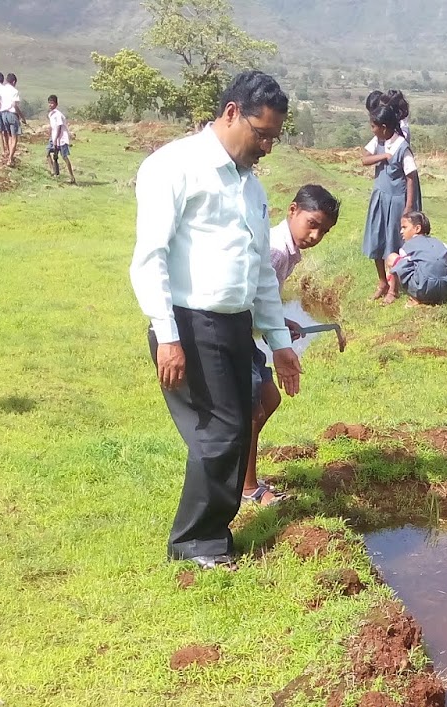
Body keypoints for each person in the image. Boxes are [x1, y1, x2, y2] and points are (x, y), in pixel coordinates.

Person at [130, 70, 300, 569]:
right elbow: (150, 257)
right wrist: (168, 336)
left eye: (274, 137)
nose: (267, 146)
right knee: (219, 432)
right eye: (261, 133)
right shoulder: (175, 166)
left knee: (237, 423)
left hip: (234, 323)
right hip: (189, 322)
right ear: (231, 113)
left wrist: (279, 341)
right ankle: (196, 542)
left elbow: (261, 271)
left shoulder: (252, 188)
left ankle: (209, 535)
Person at [244, 183, 340, 507]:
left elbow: (265, 301)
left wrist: (282, 321)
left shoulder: (287, 250)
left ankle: (240, 472)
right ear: (292, 210)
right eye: (312, 224)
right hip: (236, 334)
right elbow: (251, 301)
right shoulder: (276, 251)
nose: (315, 235)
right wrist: (277, 336)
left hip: (246, 331)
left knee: (268, 399)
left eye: (323, 231)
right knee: (253, 409)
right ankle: (247, 488)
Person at [361, 105, 418, 301]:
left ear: (384, 127)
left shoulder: (402, 147)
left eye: (373, 126)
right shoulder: (379, 141)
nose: (372, 130)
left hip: (396, 201)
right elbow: (364, 159)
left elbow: (411, 177)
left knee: (393, 243)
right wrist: (383, 156)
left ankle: (393, 288)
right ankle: (382, 282)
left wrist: (408, 207)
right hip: (380, 198)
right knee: (377, 240)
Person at [386, 211, 447, 305]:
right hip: (446, 291)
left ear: (417, 228)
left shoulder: (407, 248)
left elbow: (400, 269)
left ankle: (393, 292)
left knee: (392, 258)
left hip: (423, 290)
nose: (401, 231)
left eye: (404, 227)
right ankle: (434, 295)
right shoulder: (442, 244)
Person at [45, 95, 74, 183]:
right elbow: (53, 127)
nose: (50, 105)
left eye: (52, 103)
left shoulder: (58, 114)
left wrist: (55, 140)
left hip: (61, 138)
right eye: (49, 103)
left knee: (64, 157)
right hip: (54, 137)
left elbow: (59, 127)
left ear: (56, 104)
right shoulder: (51, 114)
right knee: (48, 153)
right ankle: (53, 172)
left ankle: (72, 177)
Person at [0, 73, 23, 166]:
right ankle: (10, 159)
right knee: (14, 137)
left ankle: (8, 154)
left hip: (3, 114)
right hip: (12, 114)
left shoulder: (2, 90)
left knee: (9, 136)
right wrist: (21, 116)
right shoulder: (14, 91)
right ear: (14, 82)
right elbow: (14, 105)